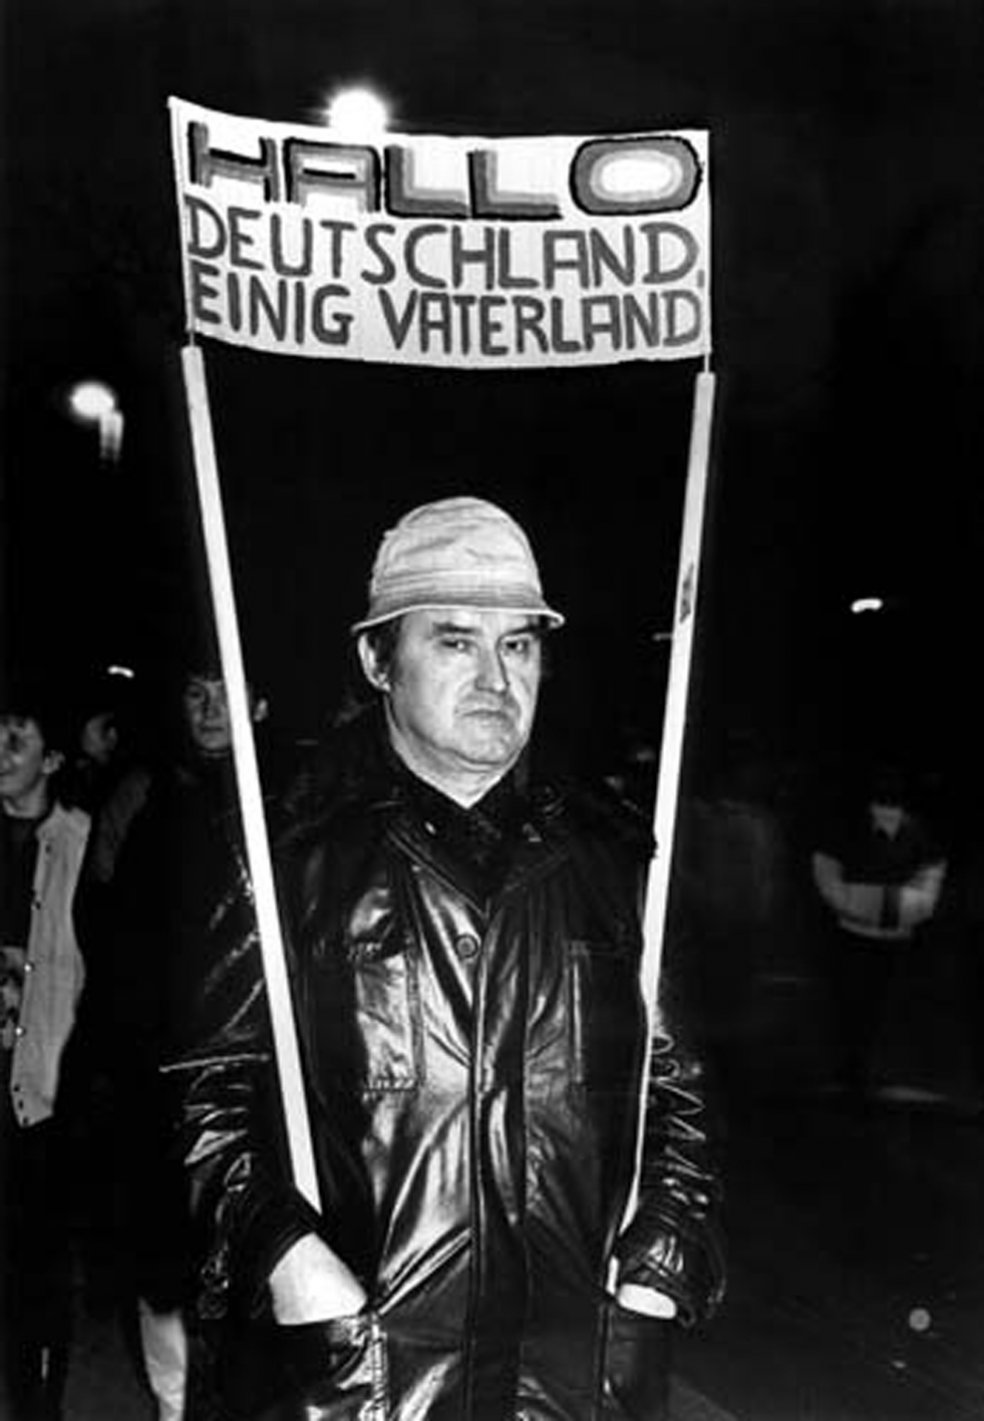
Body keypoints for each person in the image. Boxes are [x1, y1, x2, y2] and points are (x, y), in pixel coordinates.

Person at [165, 496, 725, 1421]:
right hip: (357, 1377)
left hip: (569, 1379)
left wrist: (656, 1271)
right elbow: (202, 1098)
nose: (497, 678)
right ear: (377, 661)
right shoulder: (282, 853)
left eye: (520, 645)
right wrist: (288, 1259)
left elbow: (682, 1095)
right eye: (457, 641)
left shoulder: (616, 859)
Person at [73, 658, 270, 1421]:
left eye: (226, 693)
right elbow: (99, 918)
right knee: (164, 1261)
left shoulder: (289, 798)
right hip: (159, 1067)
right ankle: (172, 1403)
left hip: (257, 1072)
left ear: (259, 705)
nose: (210, 709)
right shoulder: (143, 794)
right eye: (196, 693)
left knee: (253, 1263)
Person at [0, 682, 90, 1420]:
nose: (1, 752)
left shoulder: (81, 842)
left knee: (40, 1268)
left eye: (17, 738)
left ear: (53, 759)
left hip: (47, 1088)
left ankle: (39, 1407)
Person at [810, 761, 948, 1099]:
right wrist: (865, 906)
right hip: (858, 929)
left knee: (874, 1002)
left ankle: (863, 1067)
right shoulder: (851, 829)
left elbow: (930, 876)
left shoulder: (913, 833)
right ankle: (853, 1067)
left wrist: (894, 908)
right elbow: (827, 871)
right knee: (856, 999)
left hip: (886, 932)